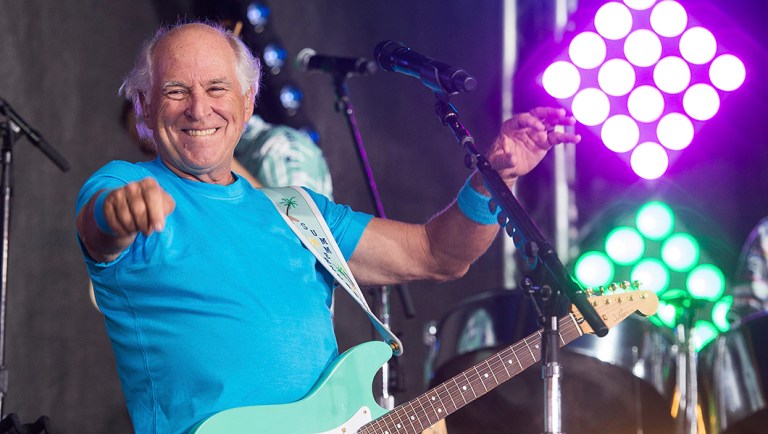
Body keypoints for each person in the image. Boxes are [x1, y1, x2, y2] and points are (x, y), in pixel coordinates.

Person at [75, 22, 580, 434]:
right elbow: (100, 225)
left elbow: (437, 254)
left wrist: (493, 177)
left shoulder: (299, 212)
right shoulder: (126, 183)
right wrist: (119, 214)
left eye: (216, 88)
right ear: (143, 106)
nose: (199, 108)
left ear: (248, 102)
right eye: (176, 91)